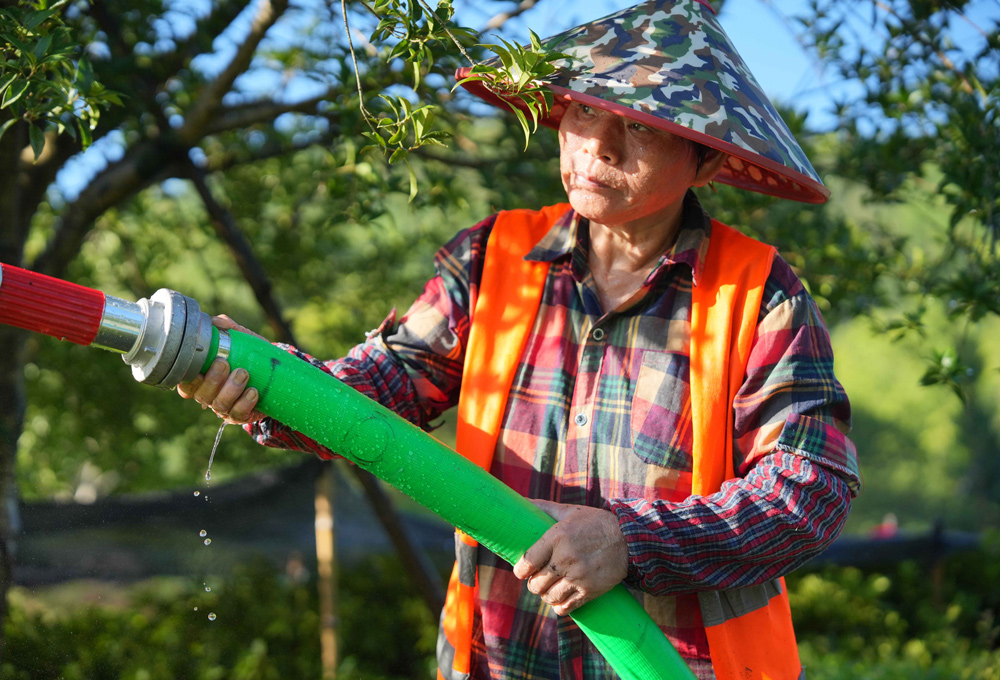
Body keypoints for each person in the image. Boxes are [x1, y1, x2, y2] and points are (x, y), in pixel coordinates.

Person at [178, 1, 861, 678]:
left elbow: (809, 490)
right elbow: (384, 388)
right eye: (586, 110)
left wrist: (629, 540)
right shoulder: (492, 258)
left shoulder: (761, 295)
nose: (599, 145)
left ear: (705, 163)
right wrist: (265, 381)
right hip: (501, 660)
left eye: (639, 125)